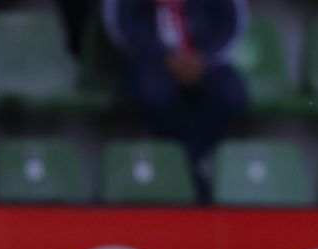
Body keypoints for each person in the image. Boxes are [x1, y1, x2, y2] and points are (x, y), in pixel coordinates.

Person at [104, 0, 249, 191]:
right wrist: (164, 58)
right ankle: (189, 170)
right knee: (153, 93)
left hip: (206, 60)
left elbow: (231, 21)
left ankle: (183, 164)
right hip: (151, 59)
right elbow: (123, 24)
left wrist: (203, 58)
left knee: (231, 94)